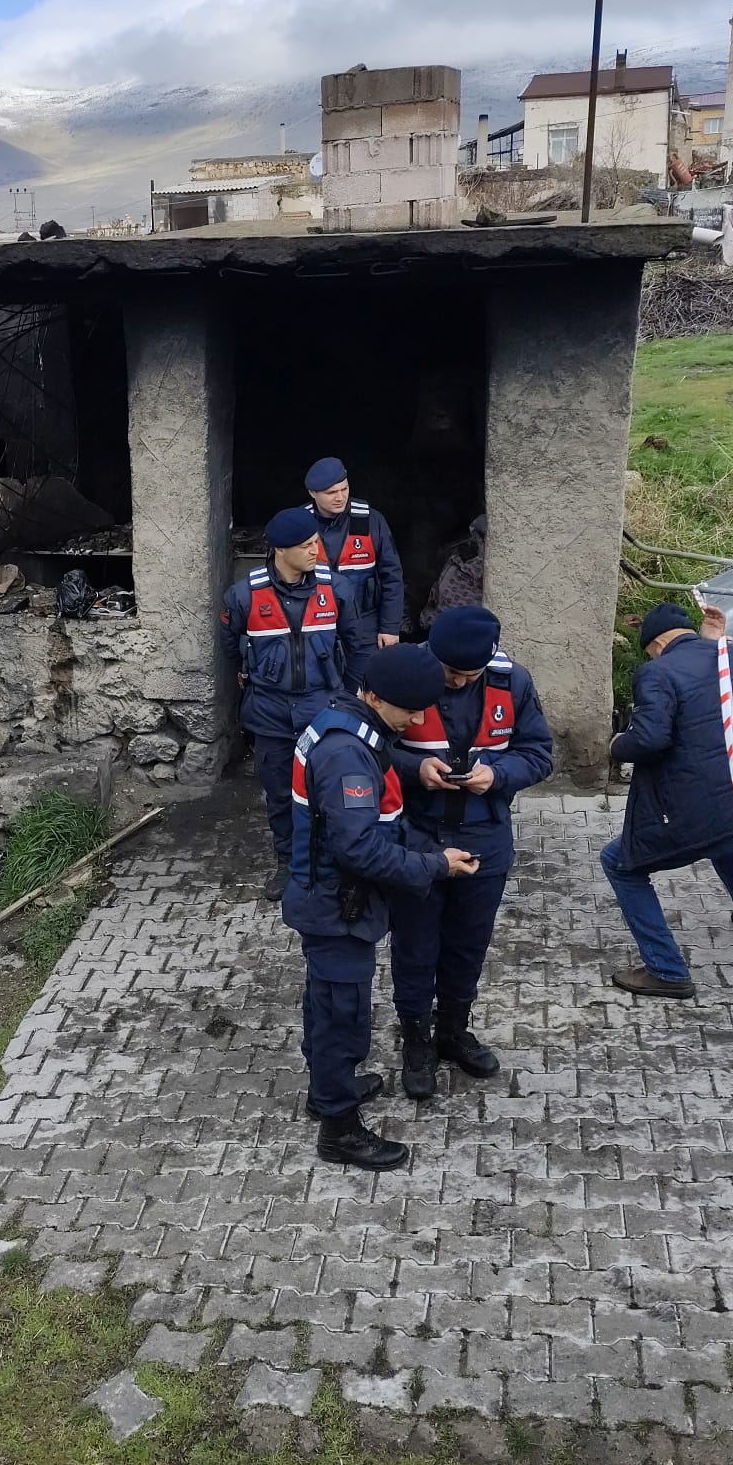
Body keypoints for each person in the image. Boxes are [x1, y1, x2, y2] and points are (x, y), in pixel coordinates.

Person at [282, 643, 479, 1170]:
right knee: (341, 1016)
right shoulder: (346, 753)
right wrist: (436, 865)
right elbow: (357, 846)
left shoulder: (348, 723)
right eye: (409, 710)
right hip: (336, 906)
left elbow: (382, 797)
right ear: (373, 695)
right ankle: (338, 1130)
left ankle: (330, 1088)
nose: (417, 719)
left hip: (332, 898)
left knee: (325, 1002)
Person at [389, 604, 554, 1097]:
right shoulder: (402, 674)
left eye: (468, 675)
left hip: (485, 841)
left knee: (468, 945)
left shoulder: (514, 683)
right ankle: (416, 1038)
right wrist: (412, 770)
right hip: (416, 839)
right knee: (416, 946)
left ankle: (453, 1030)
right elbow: (369, 746)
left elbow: (539, 755)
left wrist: (498, 776)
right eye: (449, 673)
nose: (457, 683)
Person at [601, 602, 733, 998]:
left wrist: (618, 744)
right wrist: (711, 643)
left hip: (705, 809)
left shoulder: (656, 672)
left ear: (655, 645)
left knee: (619, 863)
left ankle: (666, 970)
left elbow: (650, 739)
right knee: (729, 835)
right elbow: (707, 682)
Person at [220, 507, 370, 901]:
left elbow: (359, 648)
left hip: (324, 711)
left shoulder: (336, 589)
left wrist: (346, 699)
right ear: (280, 550)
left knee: (330, 790)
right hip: (270, 714)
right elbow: (229, 648)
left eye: (317, 542)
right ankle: (290, 864)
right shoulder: (243, 595)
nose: (316, 551)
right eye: (307, 545)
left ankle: (333, 859)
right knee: (280, 793)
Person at [304, 457, 405, 652]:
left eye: (344, 489)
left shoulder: (371, 520)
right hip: (313, 626)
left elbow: (392, 577)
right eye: (331, 492)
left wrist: (390, 627)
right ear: (313, 493)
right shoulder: (299, 523)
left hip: (365, 625)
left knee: (365, 681)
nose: (340, 497)